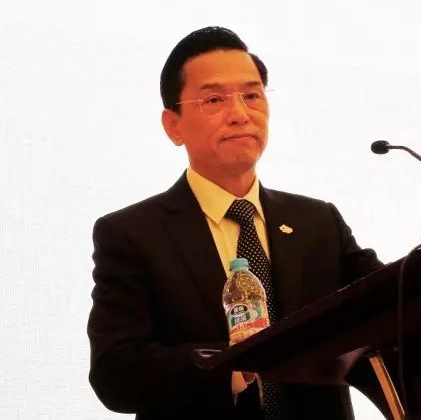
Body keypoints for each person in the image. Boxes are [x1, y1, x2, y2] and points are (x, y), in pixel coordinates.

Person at [87, 26, 387, 420]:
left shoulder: (319, 222)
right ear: (173, 125)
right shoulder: (132, 234)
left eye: (252, 96)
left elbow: (394, 304)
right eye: (214, 99)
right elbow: (115, 372)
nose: (240, 115)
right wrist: (234, 364)